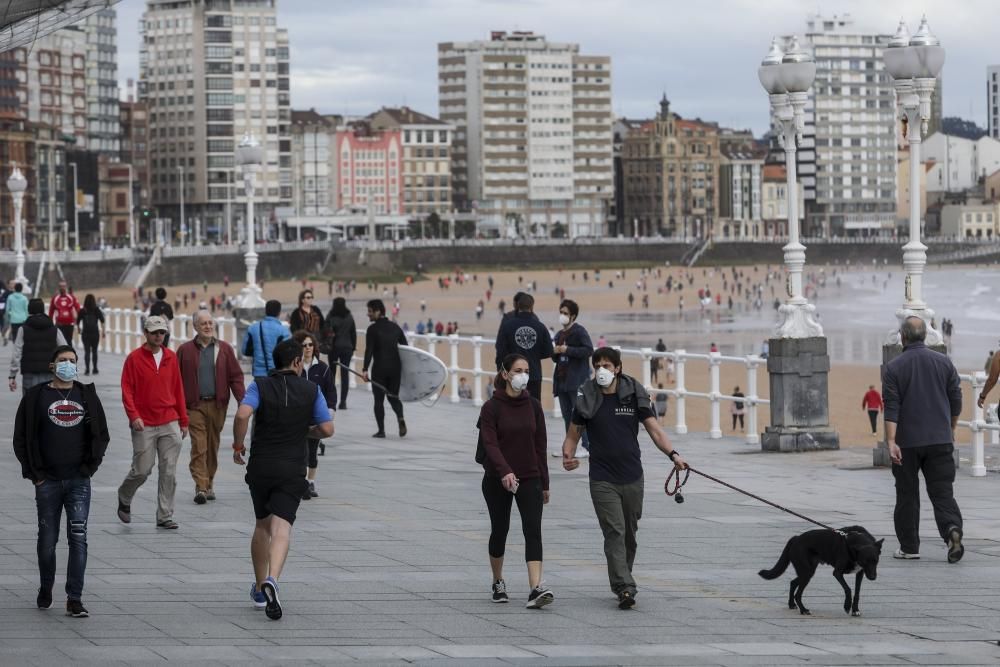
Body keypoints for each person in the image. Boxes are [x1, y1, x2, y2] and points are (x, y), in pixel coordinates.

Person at [562, 347, 688, 610]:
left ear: (618, 368)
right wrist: (568, 455)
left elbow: (654, 430)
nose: (602, 371)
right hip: (602, 477)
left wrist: (674, 455)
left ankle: (623, 577)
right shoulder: (587, 397)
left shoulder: (633, 395)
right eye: (598, 366)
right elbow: (573, 434)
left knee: (629, 534)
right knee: (615, 532)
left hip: (632, 476)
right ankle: (624, 587)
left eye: (607, 365)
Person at [232, 339, 334, 620]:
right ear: (298, 362)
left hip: (262, 465)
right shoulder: (311, 390)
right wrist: (305, 431)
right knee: (282, 528)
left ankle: (258, 588)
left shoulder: (259, 385)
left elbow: (242, 414)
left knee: (262, 525)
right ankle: (273, 580)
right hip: (292, 468)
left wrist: (238, 445)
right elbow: (327, 428)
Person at [13, 345, 110, 618]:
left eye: (72, 360)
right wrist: (35, 475)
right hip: (48, 483)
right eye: (63, 360)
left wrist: (90, 467)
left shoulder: (86, 395)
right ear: (52, 365)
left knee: (78, 539)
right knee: (47, 540)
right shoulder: (35, 397)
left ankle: (74, 597)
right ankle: (46, 587)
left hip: (79, 480)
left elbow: (101, 434)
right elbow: (21, 438)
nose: (68, 364)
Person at [883, 316, 963, 563]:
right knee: (942, 492)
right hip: (940, 439)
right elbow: (956, 399)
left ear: (903, 336)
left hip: (907, 442)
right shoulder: (944, 362)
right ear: (925, 336)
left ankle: (909, 547)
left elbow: (892, 407)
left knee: (907, 494)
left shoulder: (894, 368)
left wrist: (891, 441)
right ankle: (951, 530)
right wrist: (950, 428)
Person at [479, 353, 553, 608]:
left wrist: (545, 482)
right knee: (500, 530)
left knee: (533, 530)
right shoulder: (491, 407)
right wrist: (504, 471)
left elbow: (540, 444)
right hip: (497, 479)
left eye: (526, 370)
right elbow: (490, 443)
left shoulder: (533, 405)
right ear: (505, 374)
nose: (523, 375)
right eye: (518, 370)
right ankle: (498, 580)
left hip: (530, 476)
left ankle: (536, 588)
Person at [117, 315, 190, 530]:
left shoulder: (171, 357)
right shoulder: (133, 359)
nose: (159, 336)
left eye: (162, 333)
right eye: (155, 332)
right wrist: (134, 416)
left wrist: (183, 420)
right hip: (144, 423)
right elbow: (127, 390)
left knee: (169, 471)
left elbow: (178, 389)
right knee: (142, 469)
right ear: (146, 333)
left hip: (170, 421)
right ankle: (124, 495)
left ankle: (165, 515)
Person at [177, 310, 245, 505]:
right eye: (203, 323)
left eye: (210, 323)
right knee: (199, 445)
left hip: (218, 405)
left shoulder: (224, 349)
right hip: (194, 406)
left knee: (212, 446)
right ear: (195, 327)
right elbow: (175, 380)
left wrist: (243, 400)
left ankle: (209, 483)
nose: (207, 326)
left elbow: (236, 377)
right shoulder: (185, 350)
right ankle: (201, 486)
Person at [292, 330, 336, 499]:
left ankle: (310, 482)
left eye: (310, 344)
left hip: (316, 417)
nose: (308, 348)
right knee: (300, 450)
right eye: (304, 345)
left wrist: (330, 411)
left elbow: (331, 391)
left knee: (312, 450)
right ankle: (300, 481)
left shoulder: (323, 369)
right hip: (298, 417)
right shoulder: (295, 367)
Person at [552, 299, 593, 457]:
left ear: (573, 316)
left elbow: (588, 350)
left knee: (579, 414)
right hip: (561, 381)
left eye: (565, 313)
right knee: (566, 415)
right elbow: (555, 358)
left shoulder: (579, 331)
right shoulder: (558, 335)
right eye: (561, 312)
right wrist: (555, 352)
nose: (562, 316)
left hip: (576, 380)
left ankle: (586, 446)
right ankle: (569, 446)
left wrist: (568, 349)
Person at [494, 293, 553, 401]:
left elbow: (500, 350)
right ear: (532, 307)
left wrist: (501, 371)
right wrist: (534, 354)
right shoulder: (540, 326)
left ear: (517, 306)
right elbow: (549, 351)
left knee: (511, 407)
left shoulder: (507, 325)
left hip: (512, 373)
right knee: (533, 408)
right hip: (533, 373)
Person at [362, 299, 407, 438]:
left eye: (370, 311)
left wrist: (364, 369)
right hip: (395, 368)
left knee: (378, 400)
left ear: (378, 311)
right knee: (393, 397)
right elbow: (406, 347)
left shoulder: (372, 329)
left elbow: (369, 350)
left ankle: (381, 431)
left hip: (379, 369)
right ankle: (400, 417)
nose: (368, 314)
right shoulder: (395, 327)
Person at [9, 298, 68, 394]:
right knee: (47, 404)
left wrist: (12, 375)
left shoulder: (23, 330)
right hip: (50, 373)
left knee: (29, 405)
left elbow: (16, 353)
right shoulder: (54, 330)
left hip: (29, 373)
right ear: (43, 310)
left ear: (29, 310)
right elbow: (65, 350)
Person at [325, 297, 357, 410]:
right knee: (345, 375)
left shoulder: (331, 315)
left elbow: (325, 330)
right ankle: (343, 402)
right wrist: (353, 347)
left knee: (332, 374)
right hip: (347, 348)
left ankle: (332, 401)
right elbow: (353, 333)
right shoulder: (349, 316)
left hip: (334, 348)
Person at [243, 300, 287, 379]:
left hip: (258, 374)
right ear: (279, 312)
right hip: (277, 374)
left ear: (265, 311)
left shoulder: (252, 328)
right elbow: (287, 355)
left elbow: (245, 351)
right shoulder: (284, 331)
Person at [75, 294, 105, 376]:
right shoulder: (96, 310)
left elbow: (77, 322)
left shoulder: (82, 310)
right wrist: (103, 332)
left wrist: (78, 329)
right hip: (95, 333)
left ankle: (87, 369)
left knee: (87, 351)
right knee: (95, 351)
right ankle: (95, 369)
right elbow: (102, 321)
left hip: (86, 333)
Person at [48, 281, 81, 347]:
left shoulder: (71, 297)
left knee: (69, 341)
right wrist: (50, 323)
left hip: (69, 324)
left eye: (63, 286)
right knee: (60, 342)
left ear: (66, 287)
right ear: (59, 288)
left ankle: (70, 356)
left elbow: (78, 308)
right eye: (61, 286)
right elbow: (51, 311)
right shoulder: (55, 298)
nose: (62, 288)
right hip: (59, 324)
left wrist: (77, 319)